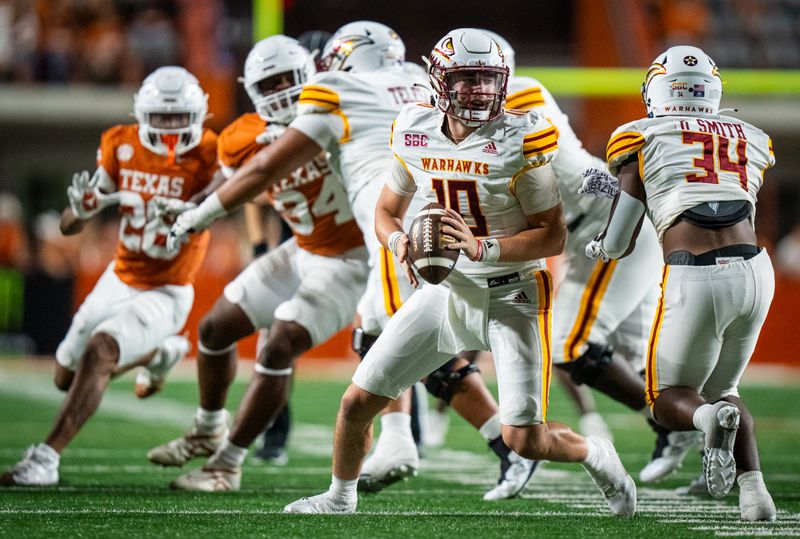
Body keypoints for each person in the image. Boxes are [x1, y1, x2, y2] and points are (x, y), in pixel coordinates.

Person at [162, 21, 538, 501]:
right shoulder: (421, 83)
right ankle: (408, 442)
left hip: (387, 236)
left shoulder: (337, 91)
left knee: (400, 342)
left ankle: (467, 446)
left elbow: (265, 169)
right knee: (393, 337)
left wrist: (200, 215)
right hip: (410, 226)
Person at [281, 28, 636, 516]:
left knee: (524, 439)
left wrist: (480, 246)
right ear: (440, 79)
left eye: (488, 79)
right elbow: (387, 210)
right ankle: (340, 498)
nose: (480, 90)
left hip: (515, 294)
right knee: (357, 402)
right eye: (467, 78)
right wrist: (399, 240)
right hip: (445, 293)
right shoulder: (413, 127)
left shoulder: (523, 138)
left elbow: (552, 235)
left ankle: (597, 454)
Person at [145, 36, 370, 490]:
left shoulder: (341, 117)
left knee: (280, 344)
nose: (284, 90)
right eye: (272, 83)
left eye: (290, 78)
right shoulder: (242, 136)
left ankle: (227, 463)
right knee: (214, 329)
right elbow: (237, 183)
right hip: (303, 249)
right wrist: (192, 205)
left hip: (353, 259)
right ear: (253, 90)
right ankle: (209, 429)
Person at [481, 28, 701, 481]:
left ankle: (672, 423)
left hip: (608, 226)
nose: (472, 88)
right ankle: (710, 442)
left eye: (480, 76)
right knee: (643, 363)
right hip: (596, 227)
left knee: (571, 343)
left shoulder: (520, 98)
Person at [583, 45, 776, 521]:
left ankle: (707, 420)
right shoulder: (750, 135)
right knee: (726, 387)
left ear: (655, 91)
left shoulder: (641, 134)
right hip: (757, 271)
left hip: (698, 273)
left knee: (667, 399)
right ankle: (756, 495)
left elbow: (622, 237)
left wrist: (600, 247)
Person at [0, 66, 218, 486]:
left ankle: (46, 458)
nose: (172, 127)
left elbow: (231, 196)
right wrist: (80, 212)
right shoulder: (120, 144)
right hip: (118, 276)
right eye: (162, 116)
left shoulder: (210, 151)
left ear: (198, 116)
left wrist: (197, 209)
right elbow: (69, 225)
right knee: (65, 377)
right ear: (142, 114)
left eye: (179, 117)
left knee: (101, 351)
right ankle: (157, 355)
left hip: (167, 289)